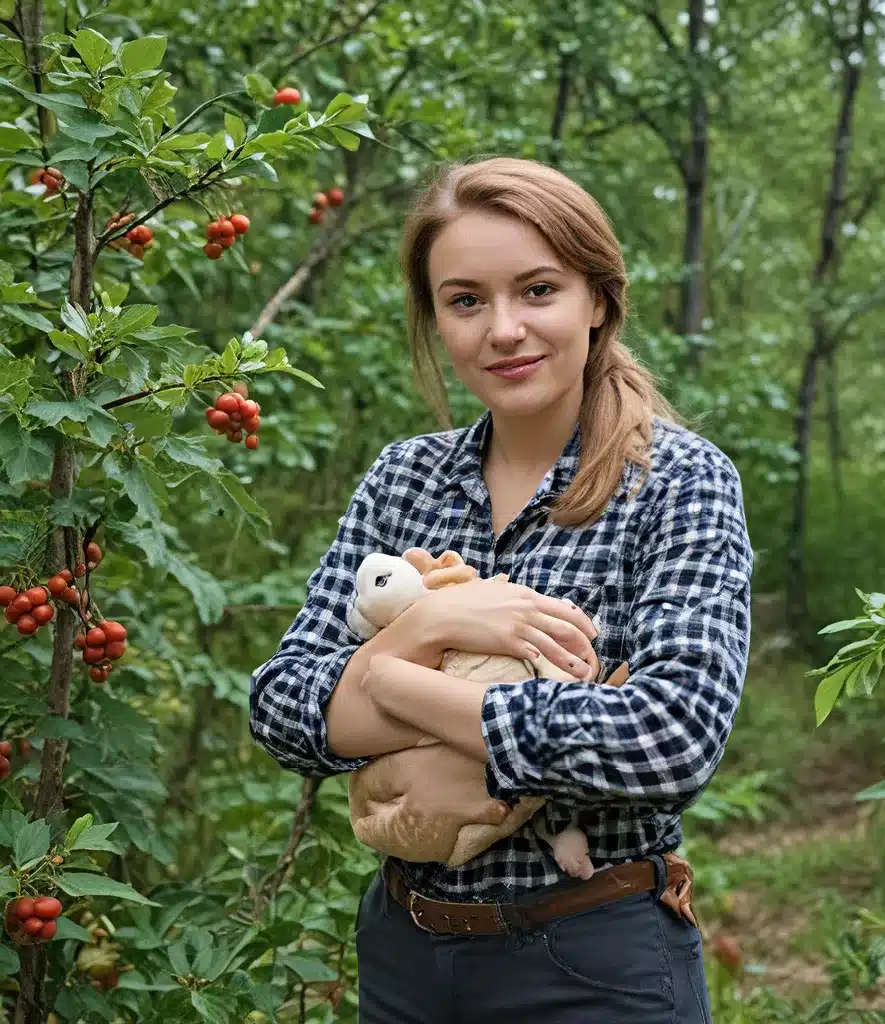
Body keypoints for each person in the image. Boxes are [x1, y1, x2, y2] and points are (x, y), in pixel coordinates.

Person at [250, 156, 753, 1023]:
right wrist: (434, 623)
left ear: (598, 299)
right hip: (405, 954)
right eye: (466, 300)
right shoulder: (404, 479)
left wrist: (389, 685)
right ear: (436, 317)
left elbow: (671, 737)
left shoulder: (676, 481)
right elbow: (283, 707)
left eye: (539, 290)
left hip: (592, 959)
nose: (505, 329)